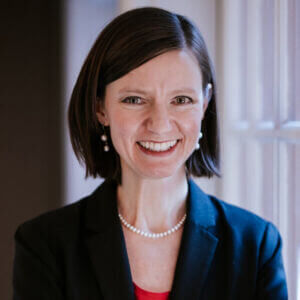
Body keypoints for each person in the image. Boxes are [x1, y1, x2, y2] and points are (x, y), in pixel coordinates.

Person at [13, 7, 288, 300]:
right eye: (134, 99)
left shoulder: (256, 246)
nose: (159, 124)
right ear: (100, 108)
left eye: (181, 100)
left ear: (205, 104)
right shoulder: (45, 246)